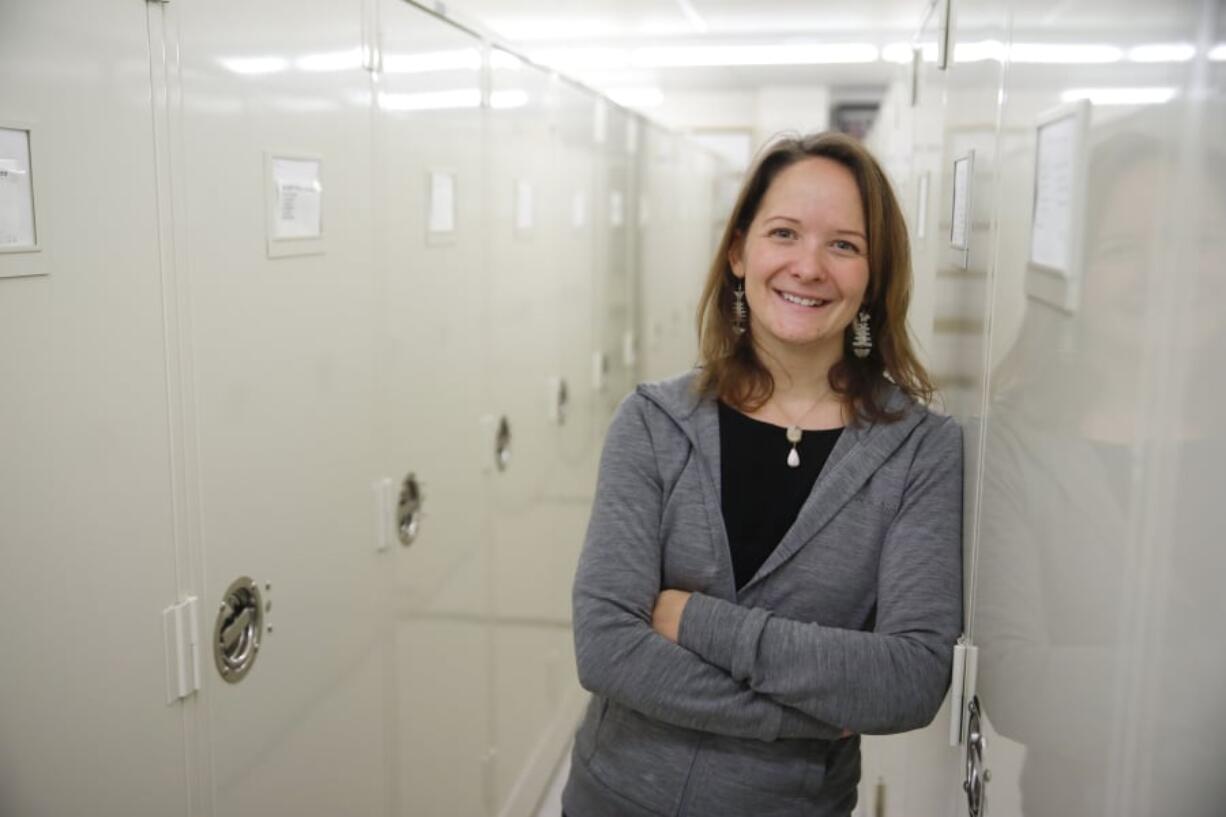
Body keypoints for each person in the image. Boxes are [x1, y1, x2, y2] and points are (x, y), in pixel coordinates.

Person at [560, 131, 964, 817]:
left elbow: (909, 678)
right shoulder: (654, 422)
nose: (808, 266)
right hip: (614, 796)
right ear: (740, 251)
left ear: (874, 276)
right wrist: (804, 716)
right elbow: (606, 648)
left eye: (844, 244)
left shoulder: (920, 451)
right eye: (784, 233)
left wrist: (694, 618)